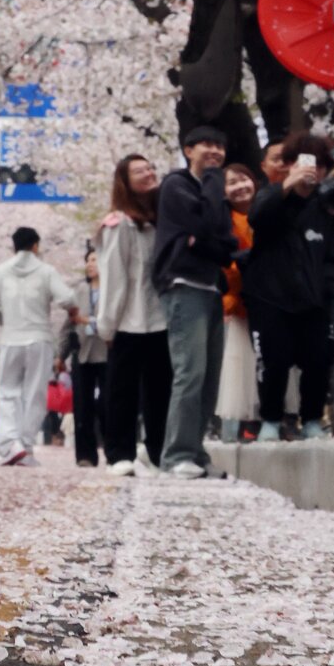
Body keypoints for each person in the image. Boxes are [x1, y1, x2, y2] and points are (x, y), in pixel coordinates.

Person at [153, 126, 236, 479]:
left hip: (211, 288)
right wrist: (214, 181)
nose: (215, 151)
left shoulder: (211, 192)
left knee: (209, 378)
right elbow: (208, 227)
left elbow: (225, 243)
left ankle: (196, 452)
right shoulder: (176, 185)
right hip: (183, 285)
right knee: (190, 373)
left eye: (220, 146)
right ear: (188, 150)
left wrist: (206, 242)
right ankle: (176, 455)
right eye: (207, 145)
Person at [246, 135, 334, 441]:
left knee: (319, 360)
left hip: (314, 299)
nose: (313, 170)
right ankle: (271, 420)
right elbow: (257, 217)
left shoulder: (326, 205)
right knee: (274, 361)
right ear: (289, 165)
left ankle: (311, 419)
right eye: (305, 163)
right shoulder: (271, 195)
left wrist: (327, 289)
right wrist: (287, 184)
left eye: (320, 165)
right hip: (269, 296)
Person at [97, 153, 171, 477]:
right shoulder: (120, 223)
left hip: (161, 319)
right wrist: (107, 325)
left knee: (160, 390)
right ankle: (119, 454)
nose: (148, 173)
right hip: (128, 320)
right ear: (125, 182)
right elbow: (114, 277)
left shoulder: (163, 219)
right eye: (139, 171)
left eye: (150, 168)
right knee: (121, 391)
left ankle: (157, 452)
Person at [0, 227, 76, 465]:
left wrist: (8, 321)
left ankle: (11, 443)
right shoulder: (46, 271)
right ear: (35, 246)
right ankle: (26, 445)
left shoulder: (2, 271)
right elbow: (68, 298)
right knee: (35, 394)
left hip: (11, 338)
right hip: (40, 338)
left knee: (6, 391)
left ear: (14, 246)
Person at [217, 164, 261, 440]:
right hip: (239, 299)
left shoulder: (267, 211)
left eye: (243, 179)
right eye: (232, 182)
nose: (240, 186)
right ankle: (247, 422)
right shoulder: (224, 222)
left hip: (270, 296)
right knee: (242, 362)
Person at [62, 249, 109, 468]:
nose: (90, 264)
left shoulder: (113, 289)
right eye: (88, 260)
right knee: (82, 406)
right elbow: (67, 325)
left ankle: (113, 451)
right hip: (82, 353)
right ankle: (85, 455)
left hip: (107, 352)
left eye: (95, 260)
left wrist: (87, 321)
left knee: (109, 404)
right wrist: (60, 355)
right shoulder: (78, 291)